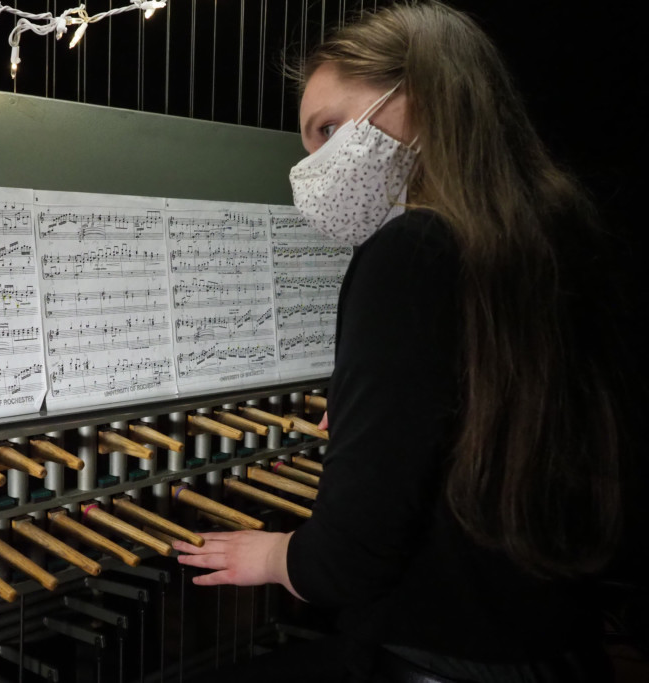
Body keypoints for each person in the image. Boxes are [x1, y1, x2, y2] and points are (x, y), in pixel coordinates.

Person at [173, 2, 642, 682]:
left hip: (430, 651)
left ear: (419, 97)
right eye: (309, 141)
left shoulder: (409, 250)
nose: (316, 164)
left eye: (331, 127)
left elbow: (347, 561)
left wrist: (274, 556)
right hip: (554, 642)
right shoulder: (562, 231)